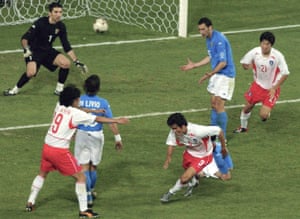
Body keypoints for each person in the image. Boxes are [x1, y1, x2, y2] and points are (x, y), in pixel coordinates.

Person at [25, 85, 129, 218]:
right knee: (81, 177)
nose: (79, 100)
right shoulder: (76, 114)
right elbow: (97, 119)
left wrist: (93, 109)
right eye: (78, 99)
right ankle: (84, 211)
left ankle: (30, 202)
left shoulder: (59, 106)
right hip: (59, 151)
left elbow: (80, 109)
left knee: (42, 174)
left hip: (47, 147)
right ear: (74, 100)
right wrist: (117, 120)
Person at [3, 2, 87, 96]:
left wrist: (76, 61)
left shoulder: (61, 26)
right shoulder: (41, 23)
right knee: (31, 73)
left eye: (60, 12)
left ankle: (59, 90)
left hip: (47, 51)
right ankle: (14, 90)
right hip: (33, 51)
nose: (58, 14)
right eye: (55, 12)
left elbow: (66, 45)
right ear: (50, 13)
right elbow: (24, 38)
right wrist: (26, 49)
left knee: (66, 63)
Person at [180, 17, 236, 140]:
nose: (201, 32)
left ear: (210, 27)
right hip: (217, 74)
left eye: (203, 29)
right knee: (213, 104)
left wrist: (210, 73)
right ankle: (213, 134)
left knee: (219, 105)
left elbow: (223, 63)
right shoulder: (208, 39)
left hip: (226, 75)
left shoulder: (219, 40)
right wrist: (195, 65)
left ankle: (222, 138)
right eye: (199, 30)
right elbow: (211, 57)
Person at [74, 74, 124, 208]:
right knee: (93, 167)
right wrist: (117, 138)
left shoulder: (78, 101)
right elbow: (111, 122)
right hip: (96, 136)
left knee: (83, 167)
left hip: (81, 134)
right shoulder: (103, 102)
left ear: (85, 87)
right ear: (98, 88)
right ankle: (90, 191)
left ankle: (88, 195)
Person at [160, 113, 228, 203]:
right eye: (172, 128)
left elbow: (219, 131)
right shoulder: (175, 131)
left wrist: (223, 148)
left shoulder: (198, 131)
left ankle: (169, 193)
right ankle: (194, 182)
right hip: (189, 154)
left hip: (203, 156)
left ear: (183, 125)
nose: (174, 131)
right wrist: (168, 158)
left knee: (184, 178)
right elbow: (171, 143)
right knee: (189, 175)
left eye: (175, 128)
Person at [233, 31, 290, 133]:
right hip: (257, 86)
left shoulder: (277, 56)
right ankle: (243, 127)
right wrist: (249, 66)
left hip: (271, 89)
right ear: (260, 43)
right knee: (247, 108)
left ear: (271, 45)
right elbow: (244, 64)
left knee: (263, 115)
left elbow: (285, 73)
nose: (264, 46)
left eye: (267, 44)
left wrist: (274, 88)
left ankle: (266, 113)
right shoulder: (255, 52)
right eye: (263, 43)